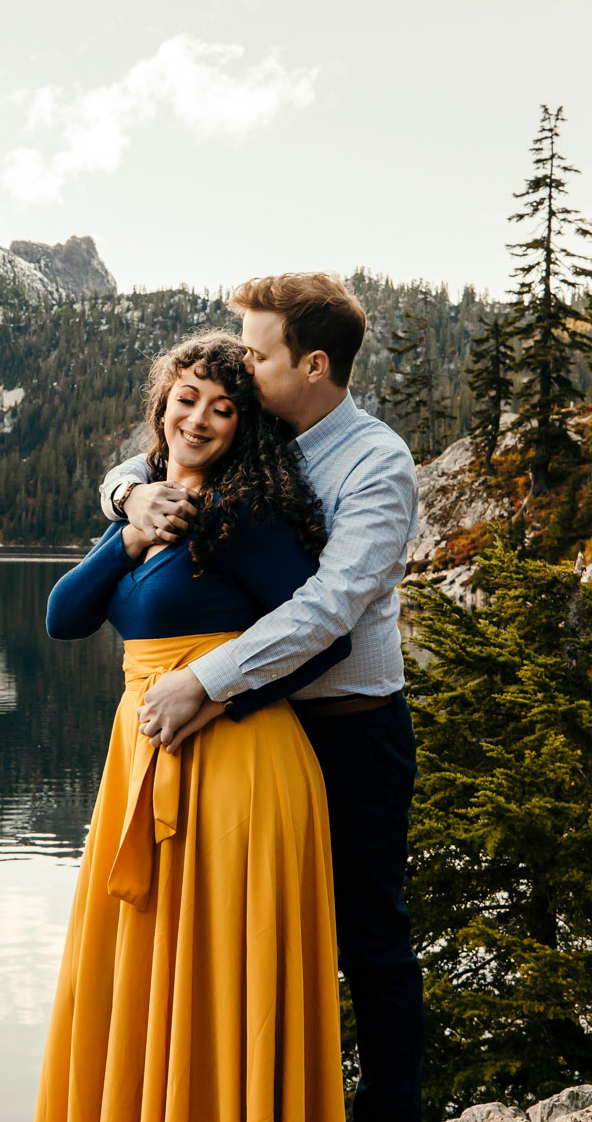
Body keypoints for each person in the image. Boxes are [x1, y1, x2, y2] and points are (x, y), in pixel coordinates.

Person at [102, 273, 422, 1122]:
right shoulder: (257, 433)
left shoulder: (377, 462)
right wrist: (128, 494)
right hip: (249, 737)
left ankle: (389, 1109)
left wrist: (202, 680)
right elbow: (147, 458)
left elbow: (327, 608)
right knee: (248, 937)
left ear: (313, 364)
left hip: (349, 733)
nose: (242, 362)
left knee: (368, 935)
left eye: (256, 349)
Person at [37, 332, 351, 1122]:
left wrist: (221, 697)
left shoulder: (244, 517)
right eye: (186, 401)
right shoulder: (145, 504)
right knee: (138, 968)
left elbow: (329, 635)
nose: (200, 420)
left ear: (246, 425)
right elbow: (62, 616)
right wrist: (128, 530)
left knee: (218, 970)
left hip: (238, 771)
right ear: (161, 405)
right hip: (142, 759)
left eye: (223, 409)